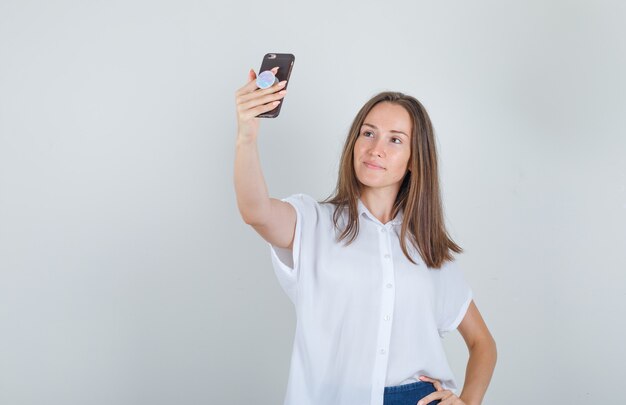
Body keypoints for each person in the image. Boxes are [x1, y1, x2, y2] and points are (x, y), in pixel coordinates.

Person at [234, 67, 497, 405]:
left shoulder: (428, 249)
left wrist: (468, 401)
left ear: (415, 159)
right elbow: (255, 211)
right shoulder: (314, 222)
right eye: (368, 133)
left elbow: (482, 343)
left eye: (395, 139)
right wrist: (247, 136)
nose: (376, 149)